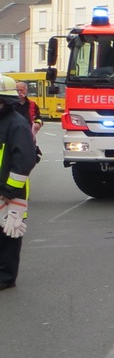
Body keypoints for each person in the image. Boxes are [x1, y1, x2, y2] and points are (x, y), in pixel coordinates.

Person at [0, 75, 37, 289]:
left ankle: (6, 278)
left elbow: (24, 161)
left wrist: (9, 190)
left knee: (8, 235)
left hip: (11, 193)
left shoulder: (16, 125)